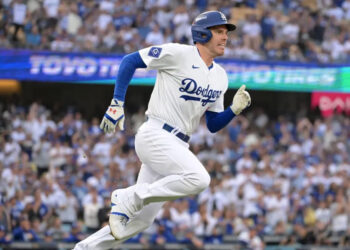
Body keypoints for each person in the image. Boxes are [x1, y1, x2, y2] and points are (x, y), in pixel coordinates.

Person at [74, 10, 251, 250]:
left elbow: (212, 124)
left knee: (141, 221)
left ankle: (84, 248)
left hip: (178, 144)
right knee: (199, 179)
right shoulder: (178, 53)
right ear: (201, 33)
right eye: (219, 31)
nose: (225, 37)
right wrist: (117, 102)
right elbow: (130, 61)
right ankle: (129, 197)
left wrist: (233, 110)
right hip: (155, 133)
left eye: (226, 32)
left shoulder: (220, 76)